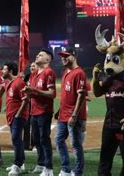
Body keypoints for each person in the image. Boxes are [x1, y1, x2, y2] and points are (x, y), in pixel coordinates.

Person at [55, 48, 87, 176]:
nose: (63, 58)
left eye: (66, 56)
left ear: (73, 57)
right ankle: (66, 169)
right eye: (62, 56)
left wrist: (74, 115)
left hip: (74, 116)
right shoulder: (66, 72)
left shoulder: (79, 73)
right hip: (63, 115)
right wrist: (59, 110)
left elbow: (81, 96)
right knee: (58, 140)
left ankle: (78, 172)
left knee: (76, 144)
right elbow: (66, 95)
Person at [24, 50, 56, 176]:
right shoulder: (35, 74)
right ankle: (41, 164)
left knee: (44, 139)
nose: (37, 55)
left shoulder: (49, 72)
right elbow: (34, 92)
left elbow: (52, 94)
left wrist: (34, 91)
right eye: (37, 54)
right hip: (34, 111)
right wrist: (28, 92)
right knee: (36, 139)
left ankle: (49, 168)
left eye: (41, 55)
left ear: (48, 59)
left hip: (44, 111)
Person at [3, 62, 29, 176]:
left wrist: (18, 114)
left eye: (4, 69)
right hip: (12, 116)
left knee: (16, 140)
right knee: (16, 140)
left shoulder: (19, 82)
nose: (2, 71)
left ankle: (17, 165)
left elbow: (25, 99)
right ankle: (21, 163)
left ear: (10, 71)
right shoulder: (10, 82)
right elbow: (12, 98)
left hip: (17, 116)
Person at [23, 62, 38, 151]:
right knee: (26, 124)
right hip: (27, 103)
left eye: (34, 66)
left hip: (35, 103)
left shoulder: (39, 76)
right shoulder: (28, 76)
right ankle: (25, 144)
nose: (32, 67)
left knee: (34, 125)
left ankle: (34, 143)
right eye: (31, 66)